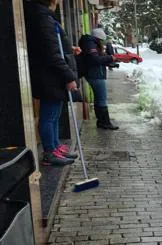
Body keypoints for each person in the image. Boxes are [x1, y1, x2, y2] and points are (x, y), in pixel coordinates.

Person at [24, 0, 80, 166]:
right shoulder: (43, 19)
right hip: (49, 77)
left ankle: (54, 146)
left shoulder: (45, 17)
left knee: (54, 114)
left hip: (50, 76)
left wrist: (70, 48)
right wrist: (68, 76)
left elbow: (54, 47)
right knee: (49, 116)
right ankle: (49, 151)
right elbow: (52, 53)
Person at [79, 28, 119, 130]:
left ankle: (101, 121)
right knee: (102, 99)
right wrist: (111, 58)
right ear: (98, 38)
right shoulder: (91, 44)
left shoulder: (90, 43)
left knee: (99, 98)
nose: (102, 43)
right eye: (102, 40)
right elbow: (95, 60)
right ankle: (105, 122)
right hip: (95, 75)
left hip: (95, 74)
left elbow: (96, 59)